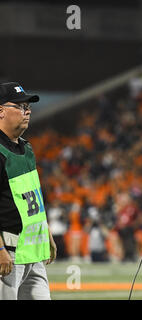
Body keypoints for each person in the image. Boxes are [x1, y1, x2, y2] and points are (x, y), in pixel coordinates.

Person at [0, 82, 57, 300]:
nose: (28, 111)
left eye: (28, 106)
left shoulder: (26, 147)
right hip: (9, 251)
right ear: (1, 111)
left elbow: (33, 195)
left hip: (33, 251)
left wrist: (47, 232)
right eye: (21, 106)